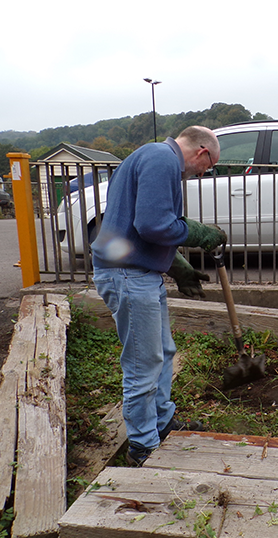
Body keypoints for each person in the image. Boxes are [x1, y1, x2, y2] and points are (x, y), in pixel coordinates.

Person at [91, 125, 226, 466]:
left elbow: (132, 225)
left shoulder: (150, 156)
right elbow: (154, 225)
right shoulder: (162, 160)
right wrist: (199, 232)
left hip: (137, 273)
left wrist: (177, 265)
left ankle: (162, 422)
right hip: (128, 277)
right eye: (207, 167)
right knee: (142, 365)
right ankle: (142, 446)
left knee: (162, 353)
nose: (202, 173)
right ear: (202, 152)